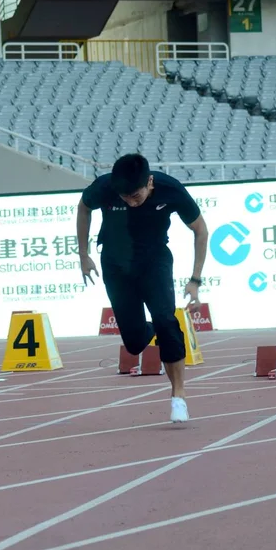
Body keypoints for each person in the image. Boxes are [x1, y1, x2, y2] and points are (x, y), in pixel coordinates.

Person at [76, 153, 208, 423]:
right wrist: (83, 254)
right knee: (135, 344)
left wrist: (195, 280)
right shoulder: (105, 187)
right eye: (125, 198)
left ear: (149, 182)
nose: (131, 202)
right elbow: (83, 207)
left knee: (166, 320)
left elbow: (201, 230)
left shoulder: (170, 189)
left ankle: (178, 396)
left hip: (154, 260)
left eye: (136, 196)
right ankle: (153, 329)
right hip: (115, 264)